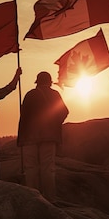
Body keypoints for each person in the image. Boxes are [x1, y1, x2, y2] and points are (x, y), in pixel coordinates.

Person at [17, 71, 69, 202]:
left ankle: (33, 198)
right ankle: (50, 198)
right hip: (49, 136)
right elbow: (64, 112)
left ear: (37, 82)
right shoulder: (55, 94)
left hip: (29, 137)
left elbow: (23, 117)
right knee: (48, 168)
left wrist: (20, 139)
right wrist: (54, 123)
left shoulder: (30, 94)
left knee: (30, 168)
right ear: (50, 82)